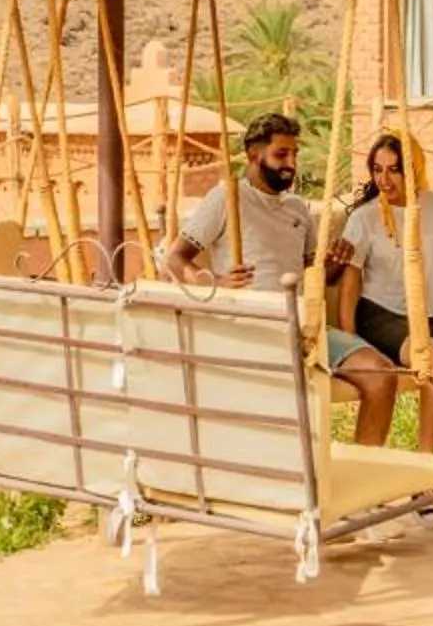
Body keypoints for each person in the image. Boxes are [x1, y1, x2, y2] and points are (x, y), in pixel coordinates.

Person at [167, 111, 409, 439]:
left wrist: (337, 260)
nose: (291, 163)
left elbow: (318, 276)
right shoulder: (228, 197)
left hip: (303, 327)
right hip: (253, 328)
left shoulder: (297, 208)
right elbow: (175, 259)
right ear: (254, 154)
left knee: (381, 375)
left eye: (294, 154)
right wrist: (216, 282)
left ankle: (363, 472)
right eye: (281, 154)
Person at [335, 131, 433, 455]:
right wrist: (348, 339)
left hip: (428, 316)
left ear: (412, 169)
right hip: (381, 315)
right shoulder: (364, 218)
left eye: (393, 169)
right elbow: (350, 282)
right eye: (377, 169)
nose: (384, 179)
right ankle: (425, 465)